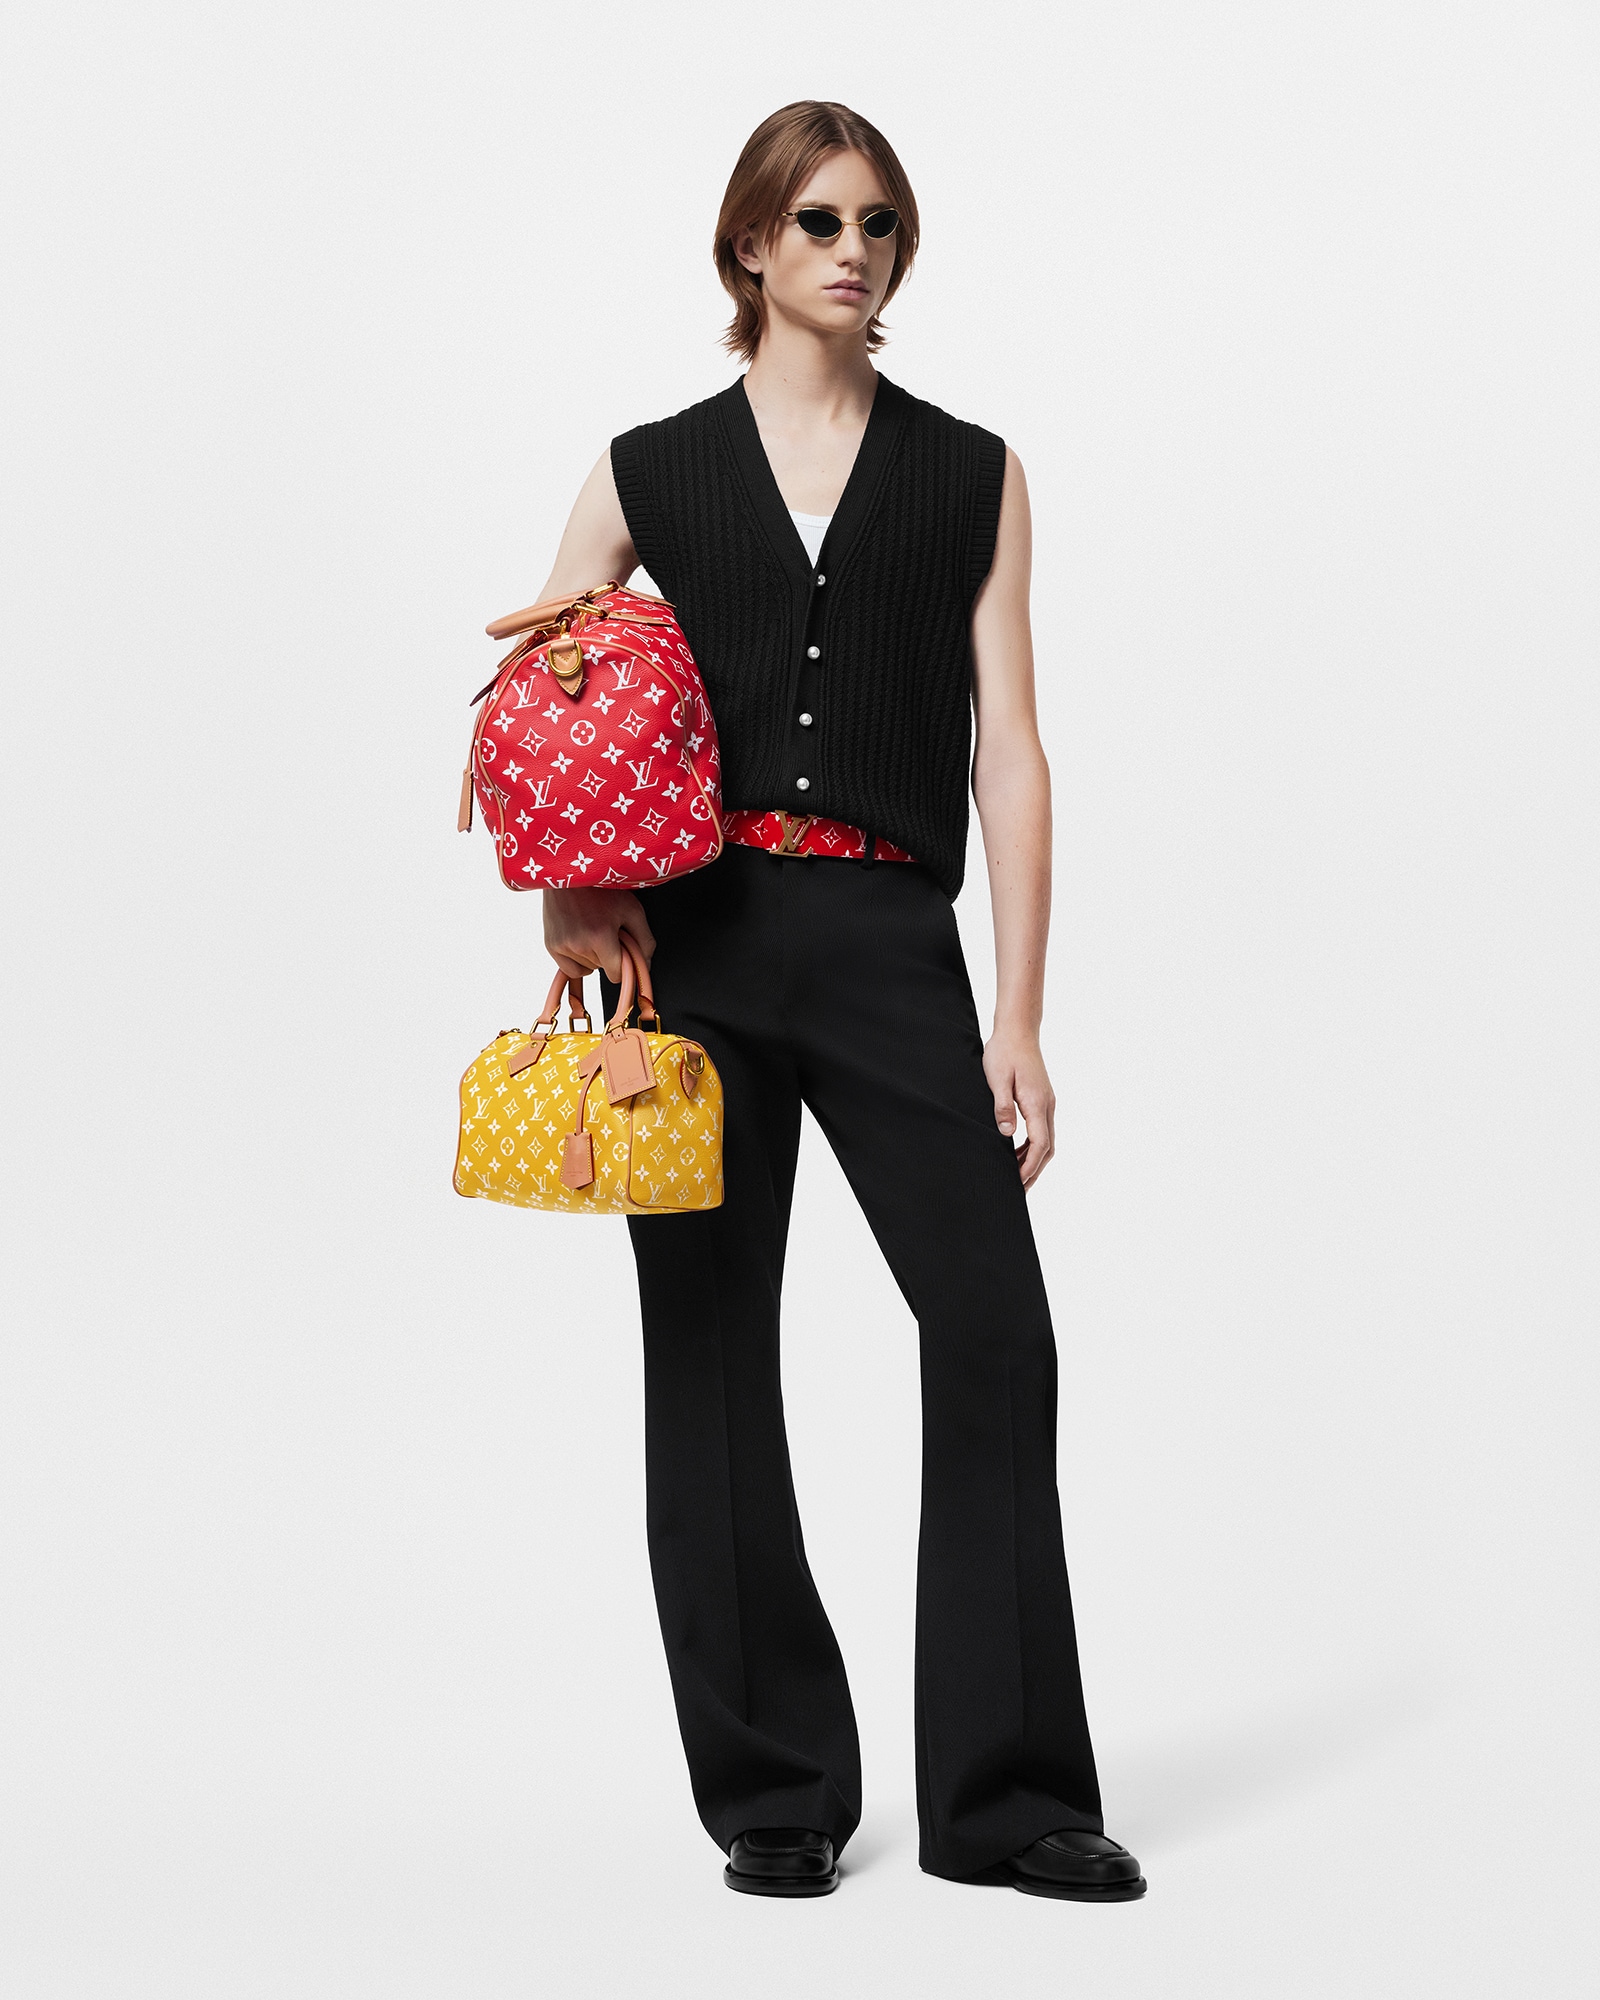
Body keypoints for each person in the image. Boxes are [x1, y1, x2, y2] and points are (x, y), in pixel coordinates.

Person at [525, 100, 1145, 1902]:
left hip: (887, 942)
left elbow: (1011, 749)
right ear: (751, 246)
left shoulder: (971, 474)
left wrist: (1017, 1013)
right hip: (694, 955)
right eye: (817, 221)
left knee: (995, 1332)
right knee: (711, 1357)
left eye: (878, 223)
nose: (853, 249)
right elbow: (545, 701)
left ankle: (1008, 1801)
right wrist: (574, 891)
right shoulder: (646, 468)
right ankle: (775, 1791)